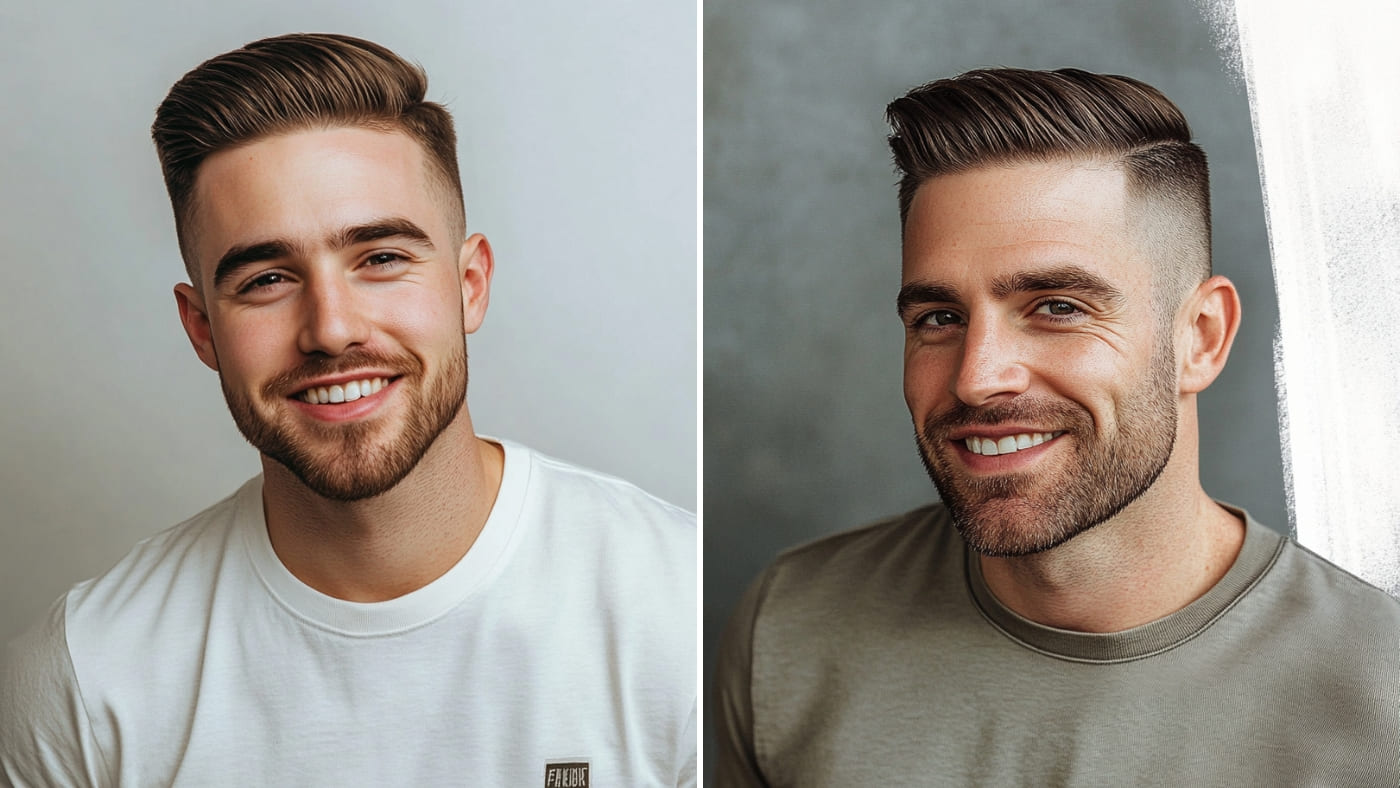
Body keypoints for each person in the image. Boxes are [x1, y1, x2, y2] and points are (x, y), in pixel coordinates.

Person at [1, 34, 695, 786]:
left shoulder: (682, 613)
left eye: (382, 258)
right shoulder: (82, 680)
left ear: (470, 285)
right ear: (202, 328)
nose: (331, 328)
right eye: (266, 278)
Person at [714, 68, 1399, 786]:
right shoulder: (789, 628)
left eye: (1058, 307)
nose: (978, 377)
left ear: (1200, 338)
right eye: (939, 319)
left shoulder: (1382, 694)